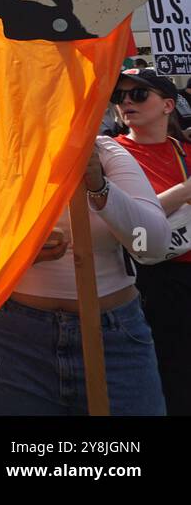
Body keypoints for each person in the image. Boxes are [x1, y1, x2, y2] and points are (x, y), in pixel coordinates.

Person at [0, 137, 169, 415]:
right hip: (7, 340)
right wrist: (14, 249)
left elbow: (154, 243)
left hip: (112, 341)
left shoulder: (102, 150)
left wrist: (99, 186)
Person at [112, 68, 191, 415]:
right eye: (120, 96)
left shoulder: (184, 149)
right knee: (166, 377)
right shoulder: (110, 154)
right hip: (147, 279)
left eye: (139, 94)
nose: (127, 101)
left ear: (168, 105)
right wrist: (184, 192)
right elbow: (125, 216)